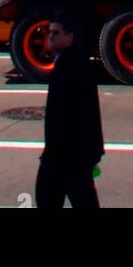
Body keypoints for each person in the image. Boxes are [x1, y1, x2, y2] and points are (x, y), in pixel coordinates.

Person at [35, 14, 104, 210]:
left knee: (48, 199)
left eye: (56, 33)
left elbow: (68, 116)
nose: (50, 37)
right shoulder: (73, 62)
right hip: (74, 155)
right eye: (49, 32)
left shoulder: (68, 67)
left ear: (69, 38)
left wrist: (53, 154)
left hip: (66, 156)